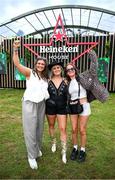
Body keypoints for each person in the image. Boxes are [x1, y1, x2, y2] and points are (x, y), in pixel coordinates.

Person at [65, 50, 109, 162]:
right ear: (66, 72)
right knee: (74, 129)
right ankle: (75, 148)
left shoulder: (84, 76)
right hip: (73, 107)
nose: (70, 71)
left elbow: (94, 69)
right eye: (68, 70)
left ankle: (82, 150)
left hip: (84, 106)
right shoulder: (68, 82)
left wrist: (92, 55)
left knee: (82, 130)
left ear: (75, 69)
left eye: (72, 69)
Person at [13, 40, 49, 169]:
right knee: (30, 130)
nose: (40, 65)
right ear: (36, 64)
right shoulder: (30, 72)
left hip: (41, 105)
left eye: (42, 64)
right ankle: (31, 156)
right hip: (29, 104)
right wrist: (15, 49)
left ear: (45, 66)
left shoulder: (45, 78)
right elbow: (17, 64)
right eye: (39, 63)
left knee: (39, 129)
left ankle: (37, 149)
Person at [46, 61, 68, 164]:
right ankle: (53, 142)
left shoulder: (66, 80)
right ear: (52, 70)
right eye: (54, 68)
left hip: (62, 108)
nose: (56, 70)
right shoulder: (48, 81)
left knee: (63, 128)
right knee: (51, 125)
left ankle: (64, 151)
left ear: (61, 69)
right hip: (50, 107)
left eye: (58, 68)